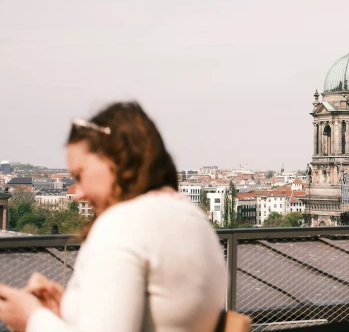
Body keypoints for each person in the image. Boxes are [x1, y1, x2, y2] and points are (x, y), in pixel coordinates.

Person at [0, 102, 227, 332]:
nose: (78, 194)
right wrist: (68, 310)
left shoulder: (121, 225)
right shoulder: (193, 218)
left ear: (116, 160)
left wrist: (32, 319)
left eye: (80, 175)